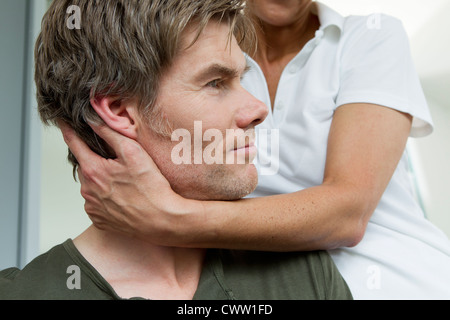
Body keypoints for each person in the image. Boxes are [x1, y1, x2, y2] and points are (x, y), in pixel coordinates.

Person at [61, 0, 450, 299]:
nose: (254, 112)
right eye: (216, 82)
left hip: (402, 282)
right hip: (266, 283)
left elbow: (348, 214)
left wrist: (171, 219)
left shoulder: (371, 38)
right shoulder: (203, 44)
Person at [0, 0, 352, 300]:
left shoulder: (304, 274)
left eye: (240, 79)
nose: (259, 109)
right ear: (120, 110)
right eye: (216, 83)